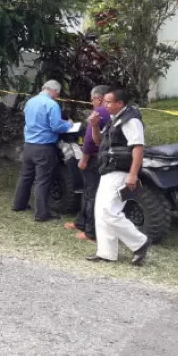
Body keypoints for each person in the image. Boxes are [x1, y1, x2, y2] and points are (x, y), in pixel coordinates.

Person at [86, 88, 152, 265]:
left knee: (109, 211)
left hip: (120, 170)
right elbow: (99, 142)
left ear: (120, 103)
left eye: (108, 102)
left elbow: (138, 147)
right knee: (101, 212)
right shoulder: (114, 121)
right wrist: (94, 126)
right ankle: (106, 252)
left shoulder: (131, 121)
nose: (104, 105)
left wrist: (132, 174)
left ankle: (140, 242)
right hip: (107, 170)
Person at [11, 80, 73, 222]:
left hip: (29, 145)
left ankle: (18, 204)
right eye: (58, 93)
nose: (57, 96)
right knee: (42, 180)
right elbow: (56, 126)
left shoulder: (30, 102)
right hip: (44, 146)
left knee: (25, 176)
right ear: (54, 91)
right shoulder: (52, 104)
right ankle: (41, 213)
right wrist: (68, 125)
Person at [65, 85, 110, 242]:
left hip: (94, 158)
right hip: (103, 157)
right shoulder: (114, 112)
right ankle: (81, 222)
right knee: (88, 191)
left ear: (98, 98)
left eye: (92, 100)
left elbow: (90, 140)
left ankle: (91, 232)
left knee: (91, 194)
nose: (92, 103)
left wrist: (83, 159)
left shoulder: (100, 112)